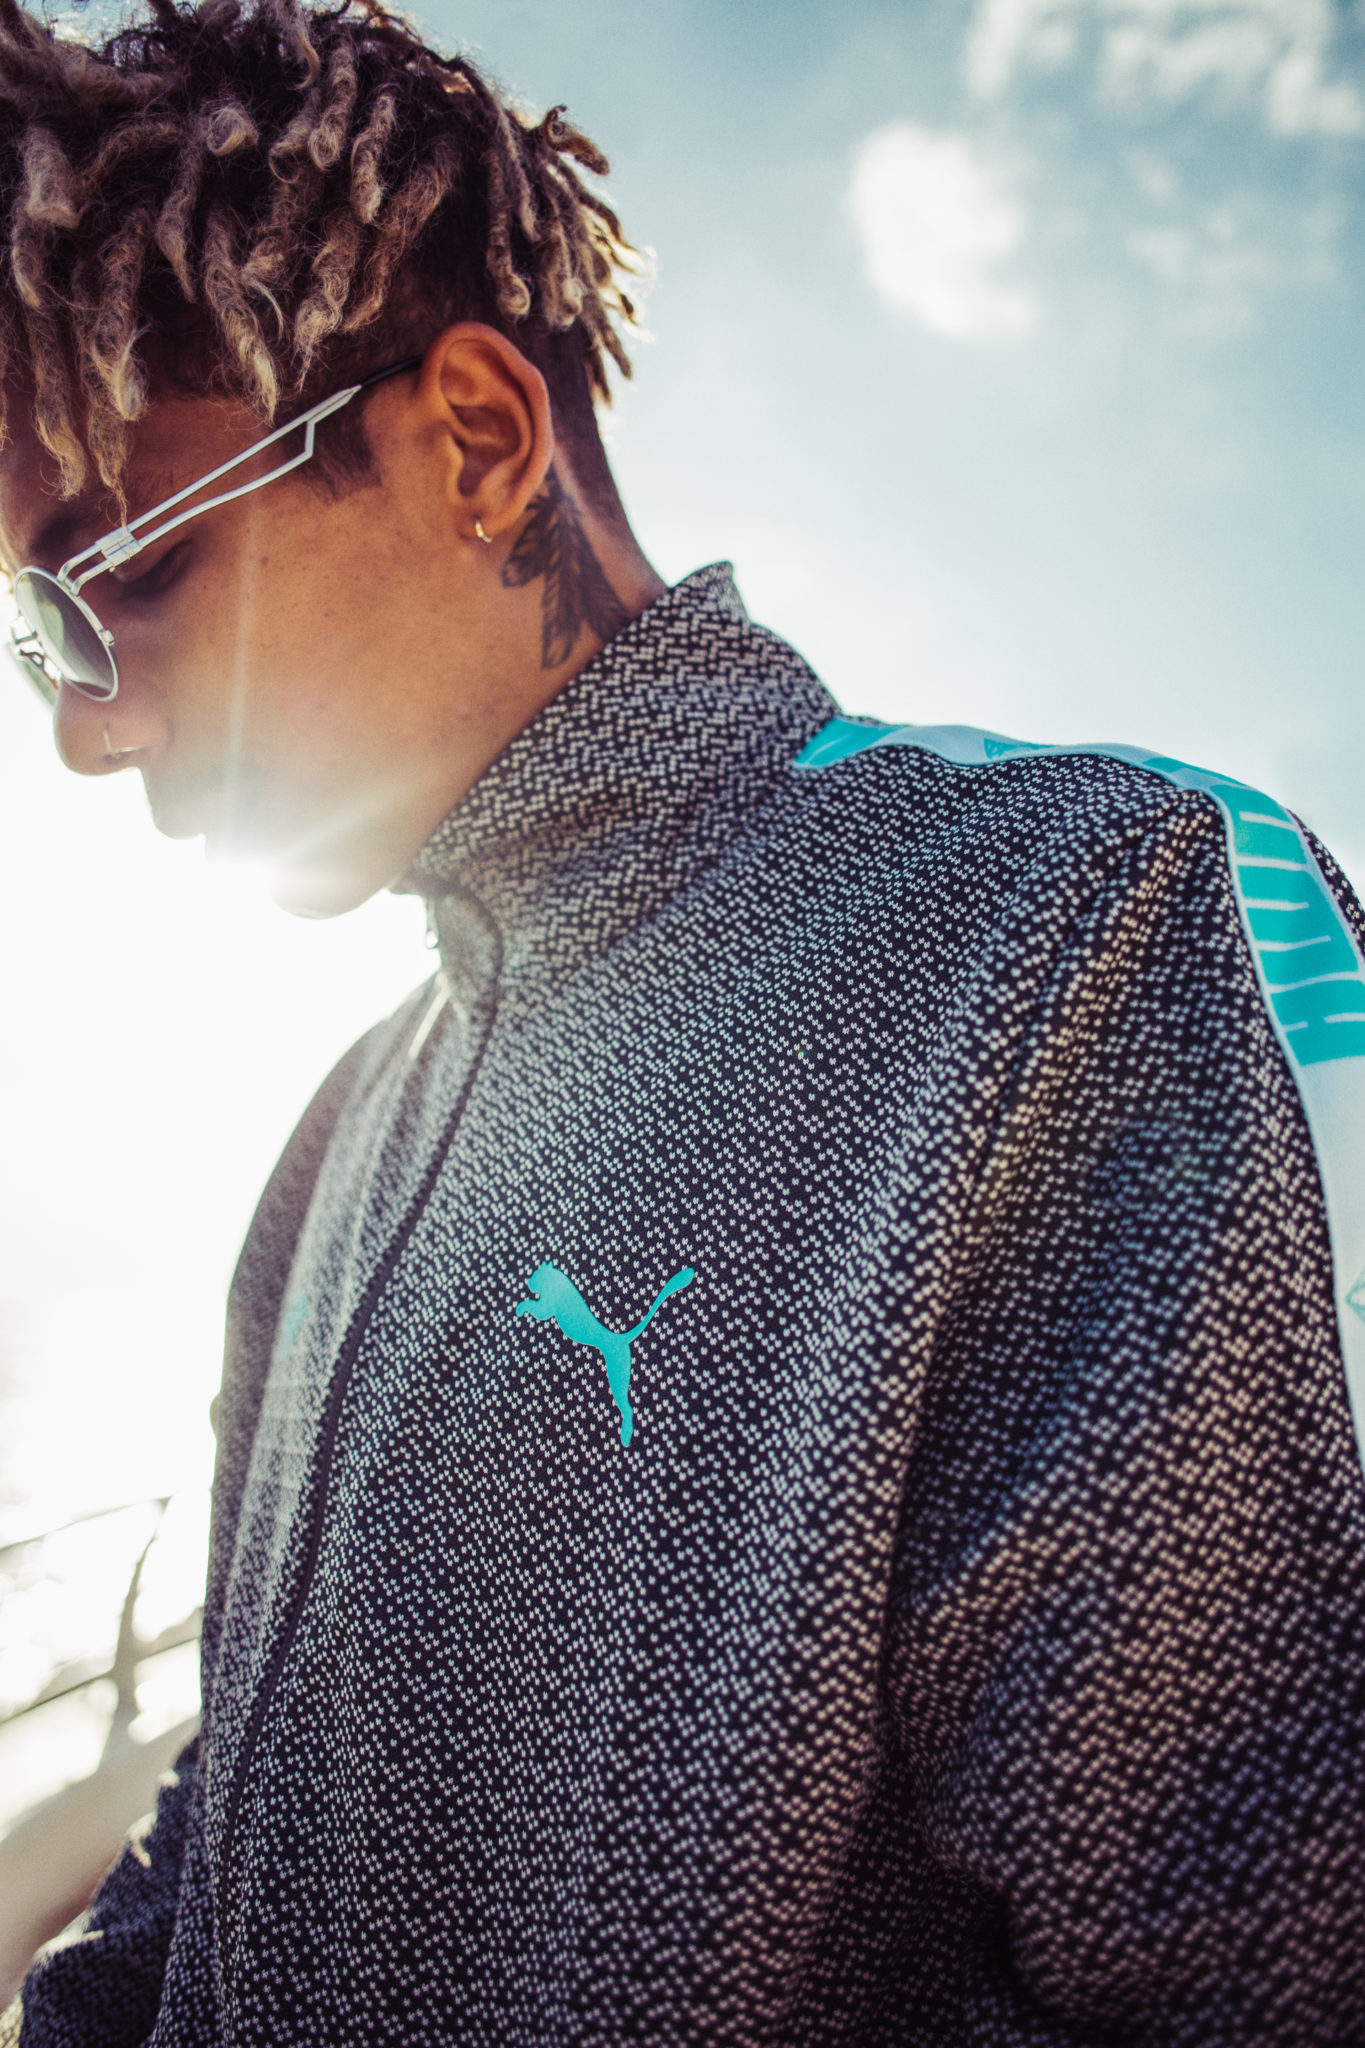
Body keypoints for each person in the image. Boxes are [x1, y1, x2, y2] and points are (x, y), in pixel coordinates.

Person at [2, 0, 1363, 2040]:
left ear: (477, 439)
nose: (83, 729)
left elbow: (1243, 1955)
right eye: (36, 637)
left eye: (121, 577)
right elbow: (232, 1826)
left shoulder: (1079, 919)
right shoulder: (329, 1150)